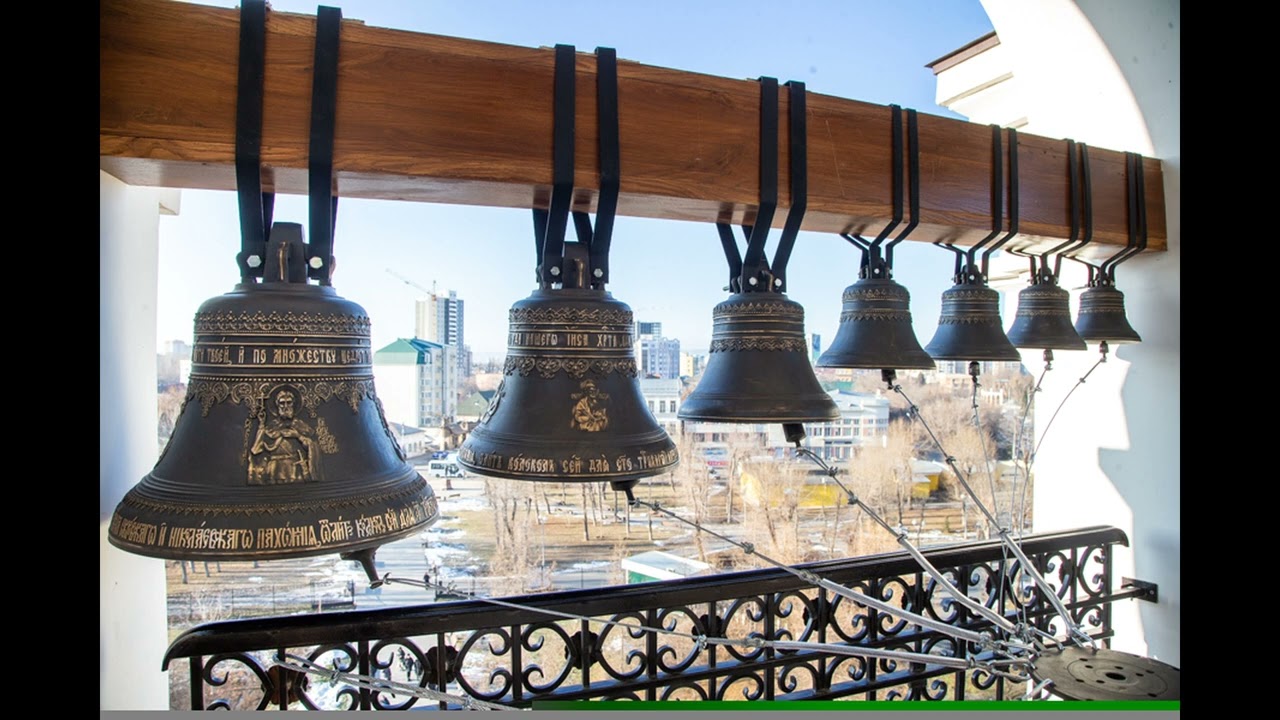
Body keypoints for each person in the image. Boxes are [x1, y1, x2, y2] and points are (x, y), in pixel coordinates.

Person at [249, 387, 324, 484]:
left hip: (295, 470)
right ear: (277, 405)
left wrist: (298, 436)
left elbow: (311, 445)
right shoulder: (270, 427)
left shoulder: (301, 426)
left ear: (293, 404)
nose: (285, 406)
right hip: (274, 470)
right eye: (282, 403)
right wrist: (261, 424)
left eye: (289, 402)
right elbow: (256, 450)